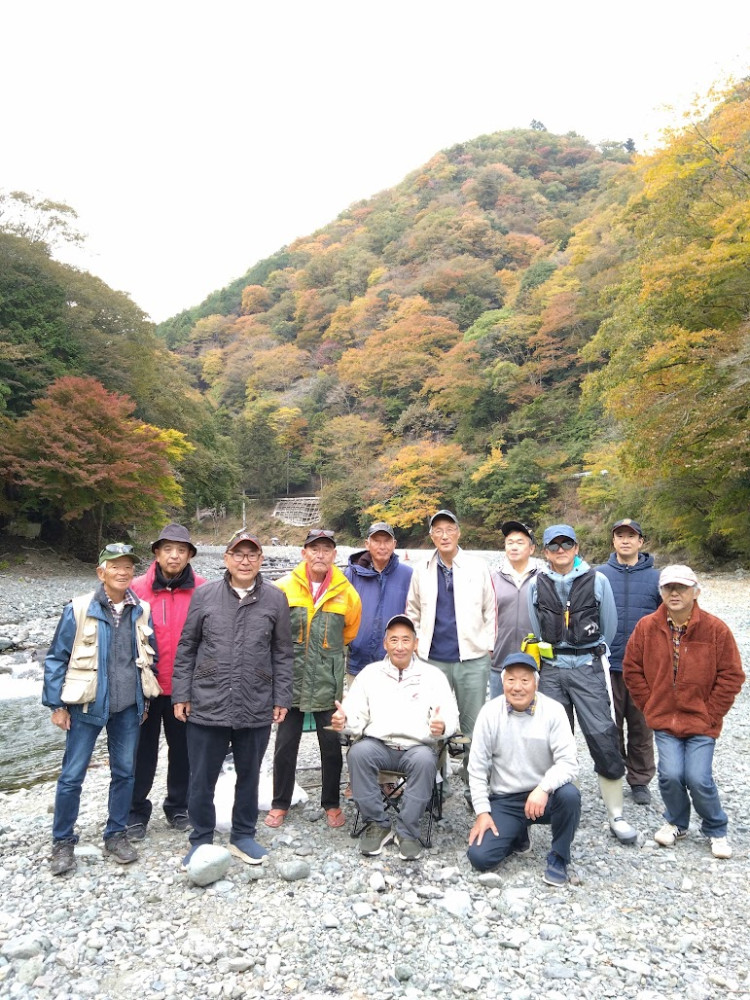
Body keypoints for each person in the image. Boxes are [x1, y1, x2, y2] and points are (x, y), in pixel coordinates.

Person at [172, 530, 293, 867]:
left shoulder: (275, 599)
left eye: (252, 555)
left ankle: (243, 835)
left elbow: (283, 653)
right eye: (238, 554)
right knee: (201, 777)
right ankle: (201, 838)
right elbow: (187, 646)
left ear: (261, 560)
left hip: (256, 700)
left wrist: (282, 697)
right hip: (207, 700)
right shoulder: (205, 595)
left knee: (249, 775)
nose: (245, 561)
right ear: (226, 558)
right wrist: (181, 693)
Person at [43, 543, 155, 875]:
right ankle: (62, 841)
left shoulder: (141, 609)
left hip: (128, 706)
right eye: (115, 566)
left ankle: (116, 834)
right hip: (85, 705)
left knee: (125, 773)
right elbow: (56, 658)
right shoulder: (79, 608)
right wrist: (56, 704)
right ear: (101, 572)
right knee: (71, 776)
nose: (122, 572)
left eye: (128, 567)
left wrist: (145, 700)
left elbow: (148, 657)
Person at [623, 565, 745, 859]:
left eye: (681, 587)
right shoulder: (647, 627)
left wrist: (711, 712)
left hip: (701, 722)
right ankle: (677, 822)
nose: (674, 593)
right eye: (668, 588)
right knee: (670, 775)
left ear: (696, 591)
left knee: (698, 778)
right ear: (661, 592)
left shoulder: (715, 629)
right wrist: (650, 704)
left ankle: (715, 828)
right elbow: (631, 669)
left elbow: (732, 675)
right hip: (664, 719)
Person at [528, 524, 637, 845]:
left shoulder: (598, 580)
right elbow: (536, 627)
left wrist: (586, 652)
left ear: (576, 548)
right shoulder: (537, 584)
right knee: (551, 739)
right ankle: (561, 807)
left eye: (567, 544)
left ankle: (616, 814)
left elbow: (609, 628)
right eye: (554, 545)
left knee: (603, 735)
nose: (561, 550)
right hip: (551, 669)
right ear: (546, 552)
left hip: (588, 666)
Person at [330, 614, 459, 861]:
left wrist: (441, 727)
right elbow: (355, 714)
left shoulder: (433, 676)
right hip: (378, 744)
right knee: (357, 753)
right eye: (394, 640)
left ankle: (407, 831)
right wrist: (343, 722)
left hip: (416, 747)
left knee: (425, 761)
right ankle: (377, 823)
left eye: (406, 640)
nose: (400, 646)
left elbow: (450, 715)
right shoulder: (370, 674)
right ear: (385, 644)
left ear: (415, 644)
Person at [265, 528, 362, 829]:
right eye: (314, 548)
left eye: (326, 549)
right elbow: (272, 632)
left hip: (327, 682)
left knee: (331, 746)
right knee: (285, 745)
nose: (320, 554)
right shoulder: (282, 588)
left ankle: (331, 803)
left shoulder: (347, 592)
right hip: (290, 679)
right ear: (304, 552)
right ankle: (280, 803)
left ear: (334, 554)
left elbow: (349, 632)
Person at [466, 651, 581, 886]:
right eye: (511, 679)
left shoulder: (554, 710)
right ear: (502, 682)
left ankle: (559, 857)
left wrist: (543, 788)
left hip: (544, 796)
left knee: (570, 795)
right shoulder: (489, 713)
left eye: (525, 680)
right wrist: (482, 813)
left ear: (536, 684)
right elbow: (476, 768)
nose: (517, 687)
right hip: (506, 798)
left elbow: (569, 763)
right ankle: (518, 833)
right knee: (480, 857)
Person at [405, 509, 496, 786]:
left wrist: (488, 645)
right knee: (433, 722)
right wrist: (416, 644)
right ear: (431, 536)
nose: (444, 535)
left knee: (473, 725)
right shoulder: (421, 568)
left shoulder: (477, 566)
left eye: (449, 529)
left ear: (458, 533)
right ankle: (436, 783)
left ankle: (474, 784)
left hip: (472, 658)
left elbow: (491, 609)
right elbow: (412, 610)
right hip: (432, 659)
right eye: (438, 531)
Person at [127, 524, 206, 839]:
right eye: (168, 549)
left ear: (189, 555)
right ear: (157, 553)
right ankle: (135, 812)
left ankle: (178, 807)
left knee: (184, 751)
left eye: (181, 550)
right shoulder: (135, 588)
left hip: (186, 688)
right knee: (141, 753)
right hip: (144, 687)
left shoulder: (203, 590)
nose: (175, 555)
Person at [596, 518, 661, 805]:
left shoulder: (657, 578)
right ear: (613, 541)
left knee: (641, 727)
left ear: (640, 541)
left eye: (631, 536)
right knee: (609, 726)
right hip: (606, 664)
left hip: (644, 668)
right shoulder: (598, 575)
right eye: (620, 535)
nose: (625, 540)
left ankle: (640, 780)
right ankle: (613, 775)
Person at [344, 521, 413, 684]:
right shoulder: (352, 574)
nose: (382, 546)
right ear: (367, 544)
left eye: (387, 541)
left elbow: (417, 615)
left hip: (396, 663)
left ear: (394, 544)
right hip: (358, 662)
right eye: (376, 541)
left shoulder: (408, 575)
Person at [490, 520, 540, 699]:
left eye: (520, 542)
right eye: (509, 542)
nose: (514, 547)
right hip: (499, 660)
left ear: (531, 549)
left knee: (535, 712)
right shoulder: (492, 578)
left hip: (535, 662)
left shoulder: (543, 579)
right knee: (498, 711)